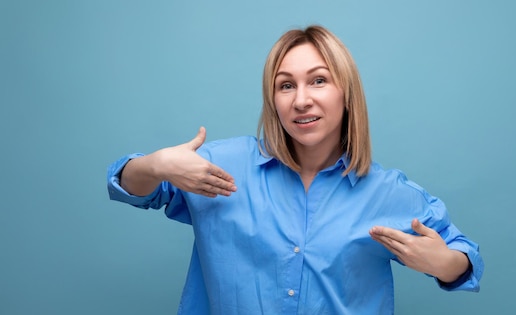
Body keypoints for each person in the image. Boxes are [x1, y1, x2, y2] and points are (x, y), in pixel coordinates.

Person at [107, 25, 483, 314]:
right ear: (273, 100)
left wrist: (444, 264)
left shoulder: (387, 193)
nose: (301, 100)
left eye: (318, 80)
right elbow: (128, 185)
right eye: (286, 86)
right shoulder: (220, 166)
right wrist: (156, 165)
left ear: (346, 93)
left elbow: (465, 260)